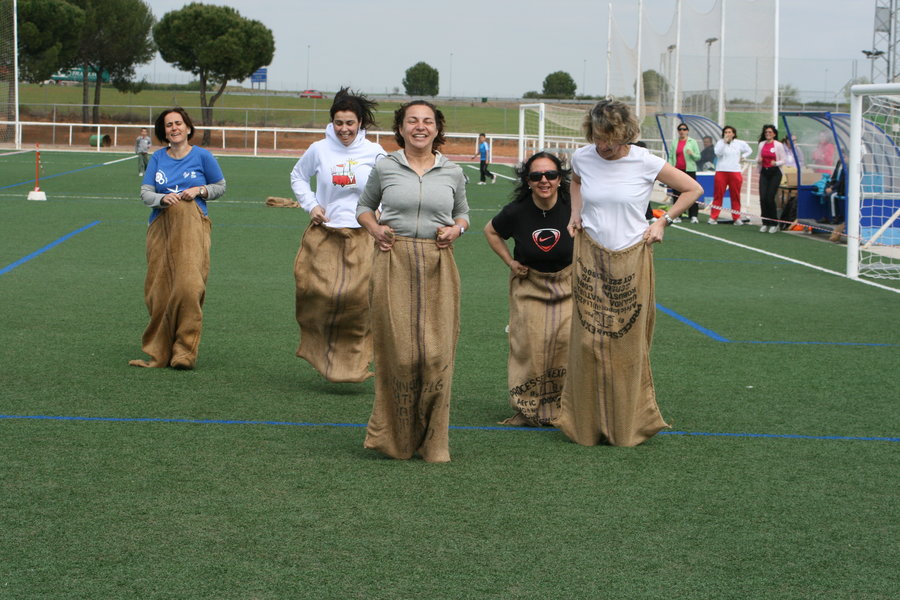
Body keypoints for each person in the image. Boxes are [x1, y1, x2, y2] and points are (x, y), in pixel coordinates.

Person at [554, 99, 702, 447]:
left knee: (625, 343)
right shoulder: (583, 157)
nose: (603, 145)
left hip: (632, 258)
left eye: (610, 138)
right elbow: (576, 182)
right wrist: (575, 213)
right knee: (588, 340)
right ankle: (587, 423)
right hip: (590, 255)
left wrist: (663, 221)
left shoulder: (644, 161)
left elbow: (693, 189)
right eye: (597, 137)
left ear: (625, 134)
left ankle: (626, 423)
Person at [356, 100, 469, 463]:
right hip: (394, 260)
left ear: (437, 128)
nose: (420, 127)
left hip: (438, 262)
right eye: (413, 121)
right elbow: (364, 208)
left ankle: (434, 442)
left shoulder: (453, 171)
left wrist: (457, 230)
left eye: (427, 121)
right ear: (401, 128)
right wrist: (375, 229)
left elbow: (463, 214)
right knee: (401, 356)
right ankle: (396, 439)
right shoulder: (385, 166)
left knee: (436, 356)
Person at [289, 87, 385, 383]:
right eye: (339, 123)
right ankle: (320, 352)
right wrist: (312, 205)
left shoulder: (375, 152)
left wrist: (380, 211)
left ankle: (354, 362)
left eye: (350, 123)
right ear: (332, 122)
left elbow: (390, 185)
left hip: (363, 234)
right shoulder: (319, 149)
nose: (344, 129)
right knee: (319, 294)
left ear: (360, 123)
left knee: (358, 300)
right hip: (326, 233)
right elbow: (298, 176)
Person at [130, 107, 226, 370]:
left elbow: (220, 186)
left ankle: (184, 351)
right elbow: (145, 193)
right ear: (164, 131)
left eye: (178, 123)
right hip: (161, 227)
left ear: (188, 127)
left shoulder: (203, 156)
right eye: (169, 125)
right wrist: (163, 199)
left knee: (188, 287)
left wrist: (200, 190)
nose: (174, 128)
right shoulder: (158, 158)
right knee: (158, 291)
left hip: (193, 227)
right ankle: (160, 350)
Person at [484, 152, 574, 426]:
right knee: (529, 345)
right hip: (530, 283)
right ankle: (527, 407)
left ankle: (560, 407)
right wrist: (510, 261)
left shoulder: (574, 205)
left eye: (551, 175)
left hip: (567, 284)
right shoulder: (517, 210)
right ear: (528, 181)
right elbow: (491, 231)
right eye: (536, 176)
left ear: (559, 179)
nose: (544, 180)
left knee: (565, 342)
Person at [709, 125, 752, 225]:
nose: (727, 134)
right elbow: (718, 153)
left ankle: (736, 218)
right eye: (726, 132)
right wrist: (725, 142)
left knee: (735, 195)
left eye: (729, 132)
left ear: (733, 134)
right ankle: (713, 217)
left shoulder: (739, 143)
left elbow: (749, 150)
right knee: (718, 195)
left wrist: (743, 156)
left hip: (735, 171)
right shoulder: (720, 143)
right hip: (721, 171)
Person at [667, 123, 701, 223]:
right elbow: (671, 156)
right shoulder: (675, 142)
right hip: (677, 170)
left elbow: (698, 157)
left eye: (684, 129)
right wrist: (670, 168)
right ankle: (677, 215)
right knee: (676, 193)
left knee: (692, 191)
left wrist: (692, 154)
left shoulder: (692, 142)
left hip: (689, 170)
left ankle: (693, 215)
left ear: (687, 131)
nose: (682, 131)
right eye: (680, 129)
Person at [756, 124, 786, 233]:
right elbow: (758, 157)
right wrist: (758, 160)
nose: (768, 134)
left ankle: (774, 223)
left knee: (769, 197)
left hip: (775, 172)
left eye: (770, 132)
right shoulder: (762, 144)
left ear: (774, 134)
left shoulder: (778, 145)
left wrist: (776, 163)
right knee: (763, 198)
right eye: (766, 132)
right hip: (764, 172)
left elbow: (784, 160)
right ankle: (765, 222)